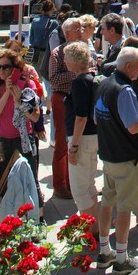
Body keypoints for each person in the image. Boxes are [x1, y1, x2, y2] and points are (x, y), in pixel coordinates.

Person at [94, 46, 138, 275]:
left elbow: (98, 119)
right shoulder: (125, 90)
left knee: (107, 202)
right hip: (126, 157)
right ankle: (121, 259)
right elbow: (133, 127)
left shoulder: (104, 84)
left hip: (108, 154)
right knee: (125, 207)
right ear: (128, 66)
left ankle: (104, 252)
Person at [0, 47, 41, 196]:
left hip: (23, 138)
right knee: (2, 180)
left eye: (6, 67)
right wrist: (6, 94)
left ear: (15, 68)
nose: (2, 70)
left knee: (30, 177)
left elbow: (35, 117)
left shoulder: (28, 86)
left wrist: (19, 102)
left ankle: (36, 207)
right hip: (1, 139)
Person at [63, 40, 99, 222]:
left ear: (73, 60)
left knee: (79, 189)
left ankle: (89, 227)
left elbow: (81, 117)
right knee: (89, 185)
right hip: (94, 136)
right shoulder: (92, 78)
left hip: (82, 138)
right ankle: (96, 226)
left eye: (66, 57)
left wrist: (74, 147)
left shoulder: (79, 82)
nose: (64, 61)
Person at [48, 15, 83, 199]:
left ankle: (74, 182)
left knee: (78, 142)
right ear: (67, 33)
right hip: (62, 98)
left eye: (81, 28)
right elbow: (53, 79)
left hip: (79, 98)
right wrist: (75, 74)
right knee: (62, 142)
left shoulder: (84, 50)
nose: (81, 31)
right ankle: (60, 185)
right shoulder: (58, 53)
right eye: (77, 29)